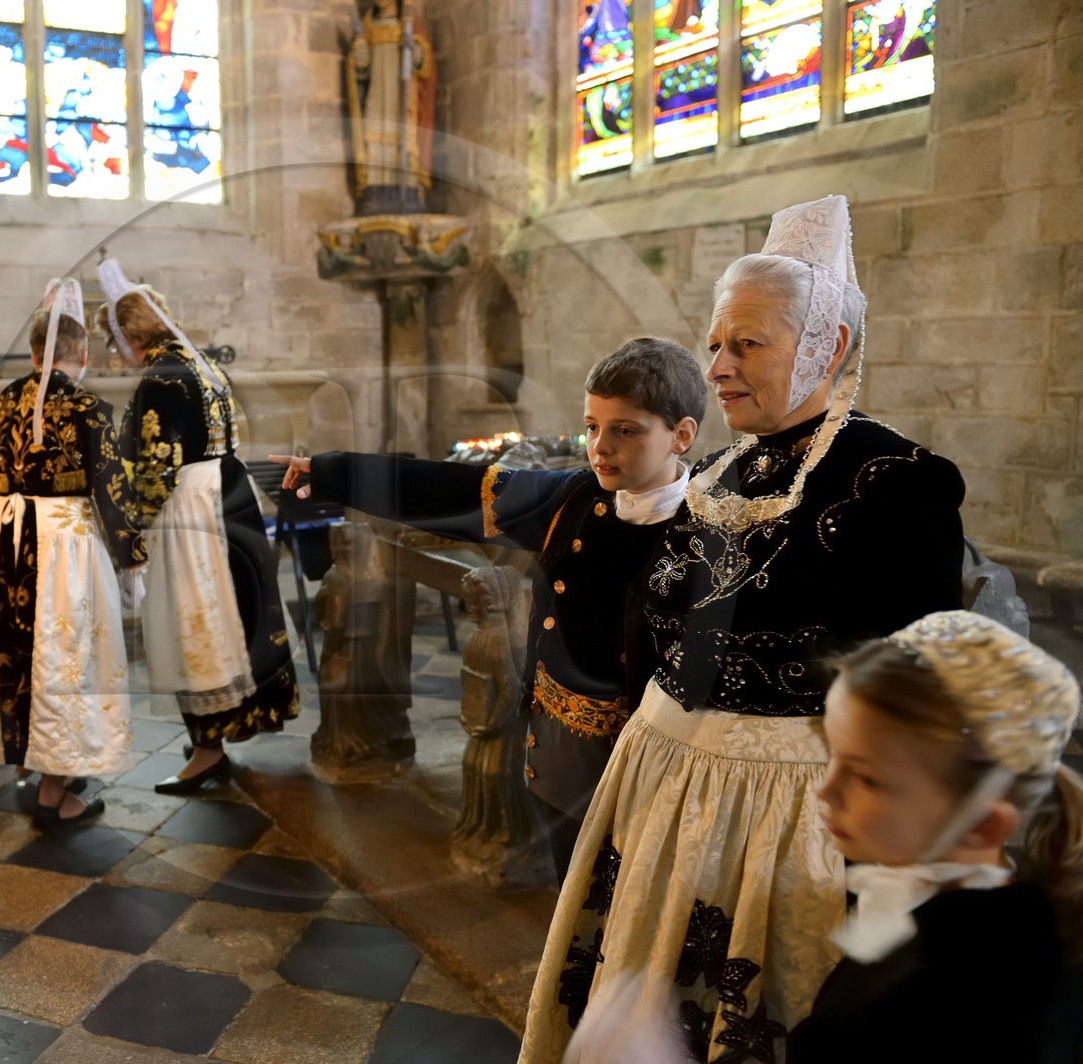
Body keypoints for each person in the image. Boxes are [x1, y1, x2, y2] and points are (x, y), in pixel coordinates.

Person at [520, 194, 967, 1063]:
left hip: (784, 812)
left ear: (827, 347)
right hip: (656, 784)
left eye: (746, 343)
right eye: (716, 341)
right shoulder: (719, 469)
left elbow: (919, 693)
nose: (717, 364)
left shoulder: (897, 480)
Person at [273, 338, 708, 879]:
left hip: (660, 765)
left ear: (681, 436)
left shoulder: (712, 527)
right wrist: (334, 472)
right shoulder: (571, 499)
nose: (601, 446)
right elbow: (448, 488)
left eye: (626, 430)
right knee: (573, 890)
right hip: (563, 751)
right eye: (592, 426)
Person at [786, 610, 1083, 1062]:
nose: (826, 789)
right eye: (833, 754)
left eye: (867, 778)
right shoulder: (1035, 913)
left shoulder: (928, 997)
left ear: (981, 823)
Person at [102, 258, 299, 793]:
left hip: (190, 506)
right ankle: (223, 728)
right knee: (235, 611)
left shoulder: (160, 376)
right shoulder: (204, 362)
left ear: (128, 336)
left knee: (196, 620)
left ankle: (207, 749)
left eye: (113, 341)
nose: (113, 354)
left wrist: (131, 532)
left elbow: (155, 464)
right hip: (230, 491)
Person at [0, 278, 143, 828]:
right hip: (63, 544)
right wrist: (133, 558)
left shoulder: (1, 404)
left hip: (9, 537)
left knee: (21, 654)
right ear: (84, 354)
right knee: (66, 657)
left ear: (32, 352)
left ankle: (37, 762)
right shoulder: (88, 408)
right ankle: (54, 793)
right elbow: (112, 493)